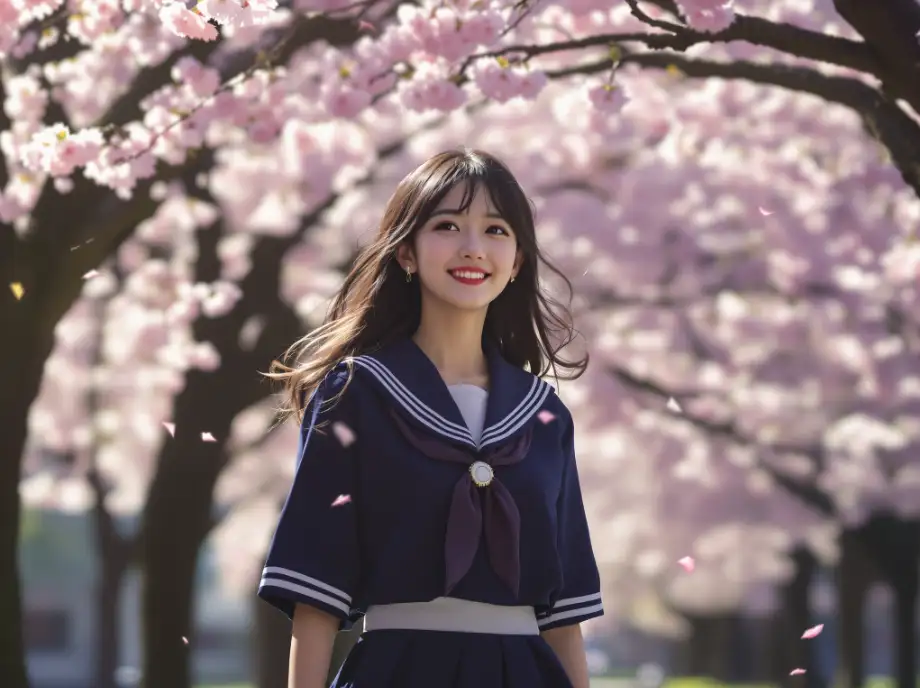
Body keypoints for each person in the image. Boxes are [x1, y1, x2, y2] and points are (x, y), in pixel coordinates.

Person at [260, 148, 604, 688]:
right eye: (447, 225)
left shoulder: (544, 415)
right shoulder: (357, 392)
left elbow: (564, 612)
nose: (472, 248)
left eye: (495, 230)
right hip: (398, 670)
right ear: (406, 254)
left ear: (516, 261)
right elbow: (315, 584)